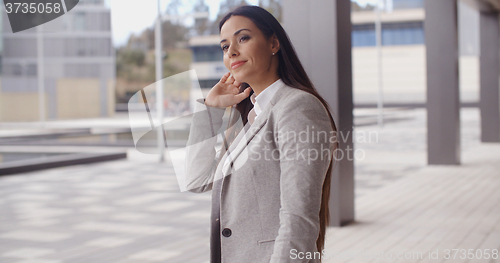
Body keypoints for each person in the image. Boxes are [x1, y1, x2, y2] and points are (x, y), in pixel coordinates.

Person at [184, 5, 338, 263]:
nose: (232, 51)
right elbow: (196, 180)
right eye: (224, 46)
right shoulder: (247, 114)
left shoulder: (298, 107)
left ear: (273, 43)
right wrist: (210, 111)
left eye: (243, 38)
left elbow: (298, 217)